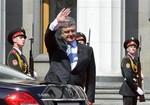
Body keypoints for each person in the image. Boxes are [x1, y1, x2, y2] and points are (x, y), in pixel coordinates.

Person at [44, 8, 96, 105]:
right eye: (67, 32)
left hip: (75, 91)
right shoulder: (55, 46)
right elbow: (48, 36)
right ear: (61, 33)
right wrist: (56, 22)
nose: (71, 34)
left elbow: (91, 76)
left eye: (73, 31)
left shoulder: (87, 50)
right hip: (55, 90)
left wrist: (90, 97)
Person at [119, 37, 144, 105]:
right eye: (131, 47)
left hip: (132, 89)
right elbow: (128, 76)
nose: (133, 48)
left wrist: (139, 75)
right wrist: (136, 88)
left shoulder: (134, 60)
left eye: (134, 47)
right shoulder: (127, 60)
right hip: (128, 89)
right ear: (127, 49)